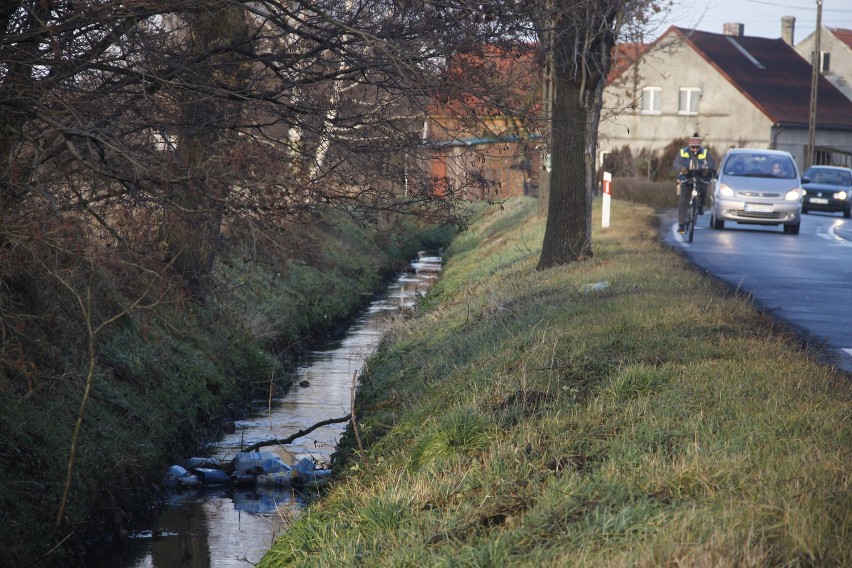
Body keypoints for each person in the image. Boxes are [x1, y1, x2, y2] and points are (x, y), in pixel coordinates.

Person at [672, 132, 715, 233]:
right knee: (683, 201)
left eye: (697, 147)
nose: (695, 149)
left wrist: (707, 169)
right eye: (693, 147)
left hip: (700, 176)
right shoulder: (682, 152)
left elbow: (711, 162)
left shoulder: (705, 152)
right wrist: (682, 169)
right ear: (689, 146)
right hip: (686, 177)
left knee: (703, 189)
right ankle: (681, 225)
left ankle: (700, 206)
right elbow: (676, 163)